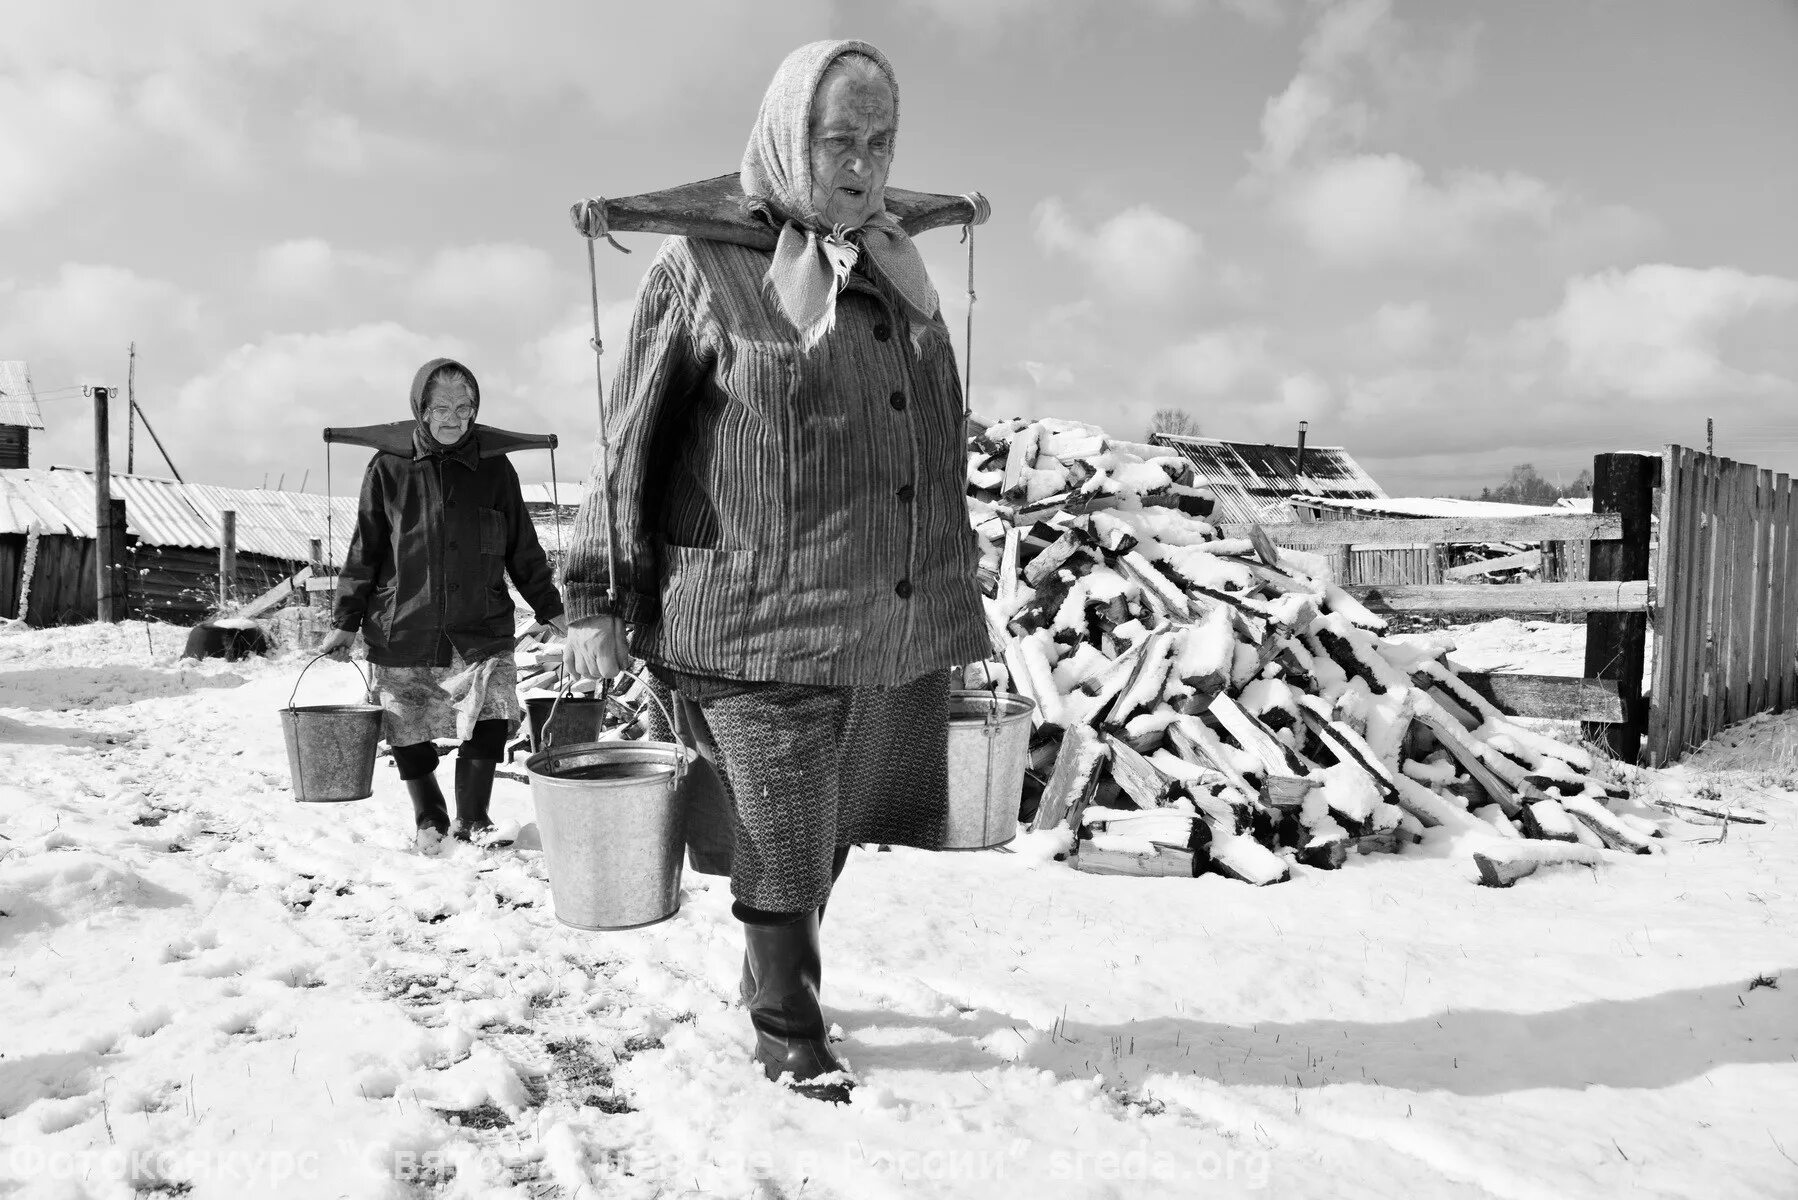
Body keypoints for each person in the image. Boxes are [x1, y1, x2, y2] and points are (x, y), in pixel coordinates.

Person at [562, 41, 987, 1103]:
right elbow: (628, 444)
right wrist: (594, 597)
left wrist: (950, 587)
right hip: (746, 610)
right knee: (788, 817)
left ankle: (774, 965)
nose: (861, 163)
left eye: (880, 141)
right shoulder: (704, 271)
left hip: (881, 613)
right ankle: (786, 1018)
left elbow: (927, 452)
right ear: (788, 136)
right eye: (838, 138)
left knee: (836, 817)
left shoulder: (896, 275)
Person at [320, 358, 567, 850]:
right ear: (420, 409)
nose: (453, 418)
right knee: (405, 724)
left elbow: (523, 549)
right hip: (405, 623)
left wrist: (553, 610)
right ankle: (429, 814)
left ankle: (473, 818)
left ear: (475, 411)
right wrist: (346, 620)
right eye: (440, 408)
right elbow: (364, 550)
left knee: (494, 715)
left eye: (464, 407)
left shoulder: (496, 469)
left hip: (479, 624)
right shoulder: (389, 467)